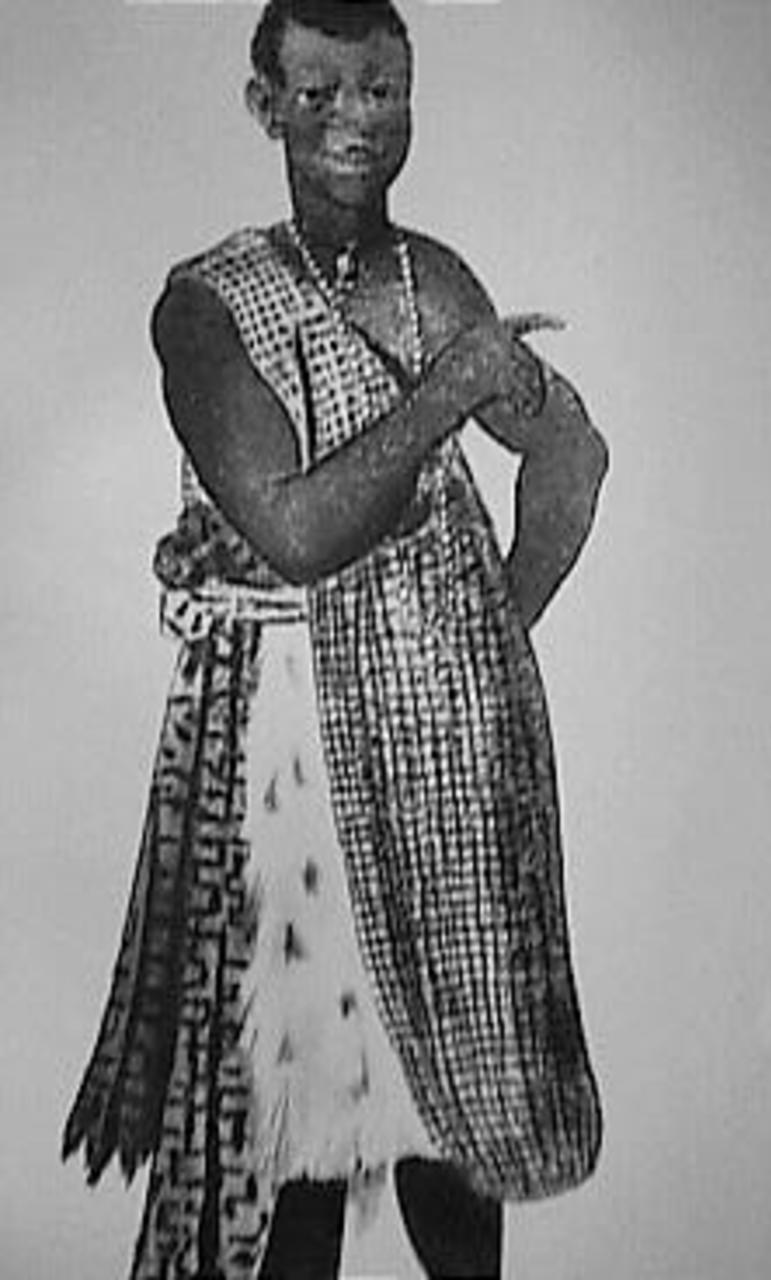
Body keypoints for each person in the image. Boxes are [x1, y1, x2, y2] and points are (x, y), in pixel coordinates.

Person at [62, 1, 607, 1276]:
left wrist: (483, 638)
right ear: (266, 107)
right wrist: (449, 393)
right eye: (319, 95)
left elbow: (574, 456)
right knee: (295, 1106)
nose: (356, 123)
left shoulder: (437, 283)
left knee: (450, 1098)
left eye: (381, 91)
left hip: (438, 750)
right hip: (282, 760)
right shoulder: (207, 307)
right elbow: (298, 530)